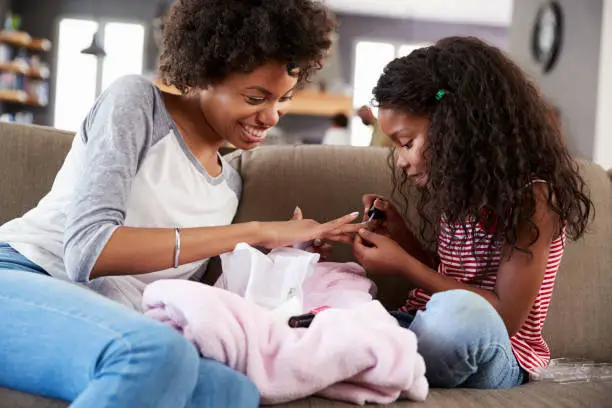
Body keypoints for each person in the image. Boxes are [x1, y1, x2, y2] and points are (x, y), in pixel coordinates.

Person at [0, 0, 356, 406]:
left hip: (116, 320)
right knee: (155, 353)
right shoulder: (138, 104)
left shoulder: (230, 187)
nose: (272, 116)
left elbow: (187, 295)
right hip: (25, 274)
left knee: (234, 391)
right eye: (256, 97)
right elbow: (87, 250)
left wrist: (280, 257)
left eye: (283, 98)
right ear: (205, 74)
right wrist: (259, 230)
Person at [335, 37, 592, 389]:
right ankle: (376, 352)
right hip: (422, 323)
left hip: (496, 349)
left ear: (453, 127)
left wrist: (403, 265)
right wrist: (401, 236)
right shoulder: (458, 190)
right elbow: (450, 280)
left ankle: (376, 355)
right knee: (339, 300)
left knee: (459, 319)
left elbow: (501, 316)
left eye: (407, 143)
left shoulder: (533, 198)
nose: (401, 160)